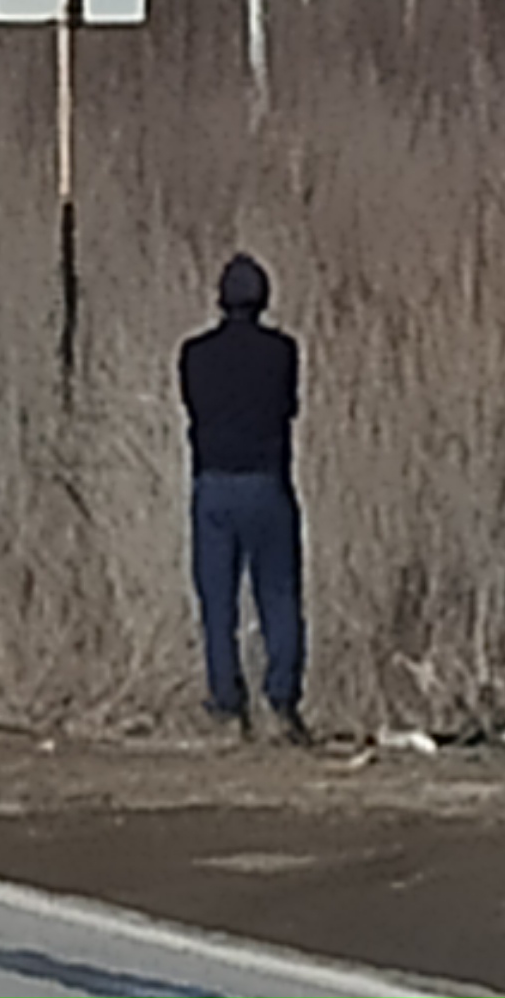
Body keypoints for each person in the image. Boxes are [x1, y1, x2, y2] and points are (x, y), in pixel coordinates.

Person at [181, 251, 308, 744]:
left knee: (217, 602)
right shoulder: (282, 352)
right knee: (279, 594)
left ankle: (227, 706)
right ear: (264, 299)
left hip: (213, 483)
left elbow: (193, 407)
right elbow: (288, 407)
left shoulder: (195, 354)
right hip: (266, 481)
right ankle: (281, 702)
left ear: (220, 299)